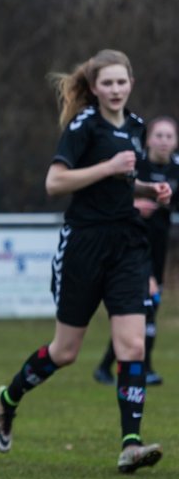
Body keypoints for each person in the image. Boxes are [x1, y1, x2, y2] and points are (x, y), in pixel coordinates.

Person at [0, 49, 170, 473]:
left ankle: (130, 444)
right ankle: (8, 399)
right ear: (93, 88)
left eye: (121, 82)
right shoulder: (82, 127)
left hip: (127, 243)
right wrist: (108, 167)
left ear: (131, 83)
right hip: (84, 246)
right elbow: (55, 182)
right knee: (66, 351)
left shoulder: (138, 126)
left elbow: (123, 184)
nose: (115, 89)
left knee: (133, 345)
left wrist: (148, 192)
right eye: (106, 83)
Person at [93, 115, 179, 385]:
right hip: (130, 244)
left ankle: (108, 366)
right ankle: (142, 369)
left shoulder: (177, 170)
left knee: (143, 310)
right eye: (159, 135)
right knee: (145, 307)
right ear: (149, 139)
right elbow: (110, 197)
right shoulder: (135, 165)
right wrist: (135, 205)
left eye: (169, 136)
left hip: (158, 247)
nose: (164, 141)